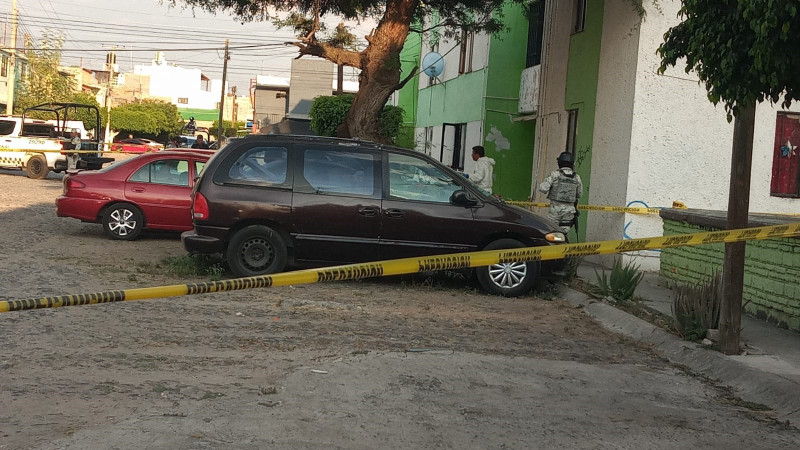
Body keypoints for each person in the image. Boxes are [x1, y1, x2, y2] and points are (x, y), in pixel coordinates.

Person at [538, 152, 583, 234]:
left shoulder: (554, 174)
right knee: (563, 235)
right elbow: (579, 194)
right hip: (569, 213)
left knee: (551, 233)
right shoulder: (577, 177)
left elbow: (543, 188)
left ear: (560, 162)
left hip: (555, 212)